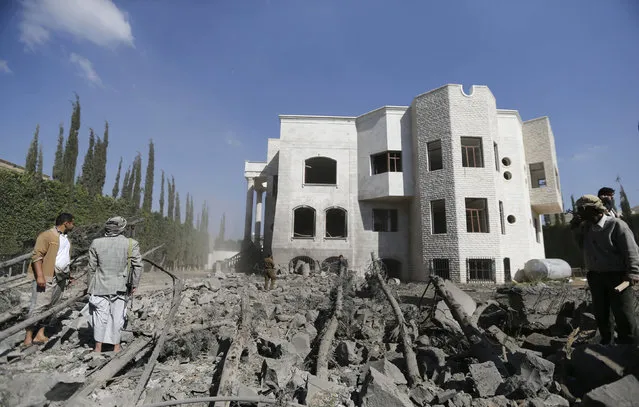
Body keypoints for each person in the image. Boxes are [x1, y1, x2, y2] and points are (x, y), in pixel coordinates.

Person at [570, 195, 639, 345]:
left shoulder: (616, 225)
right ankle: (607, 344)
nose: (579, 213)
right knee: (602, 314)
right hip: (596, 277)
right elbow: (583, 248)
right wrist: (575, 230)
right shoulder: (586, 228)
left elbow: (631, 251)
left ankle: (629, 348)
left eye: (582, 209)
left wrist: (633, 272)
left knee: (623, 313)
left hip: (617, 276)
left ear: (594, 209)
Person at [87, 216, 142, 353]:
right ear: (122, 228)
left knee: (100, 317)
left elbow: (91, 268)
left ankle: (97, 348)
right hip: (121, 286)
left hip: (99, 286)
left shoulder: (96, 243)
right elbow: (138, 266)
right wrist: (134, 284)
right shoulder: (131, 244)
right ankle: (116, 347)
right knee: (117, 317)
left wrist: (90, 287)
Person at [23, 213, 75, 348]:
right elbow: (37, 256)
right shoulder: (47, 235)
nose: (73, 225)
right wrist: (40, 276)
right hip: (47, 276)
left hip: (61, 276)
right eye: (72, 223)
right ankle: (28, 337)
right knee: (38, 306)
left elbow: (62, 257)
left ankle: (40, 333)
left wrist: (68, 274)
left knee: (51, 306)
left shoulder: (66, 239)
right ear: (66, 223)